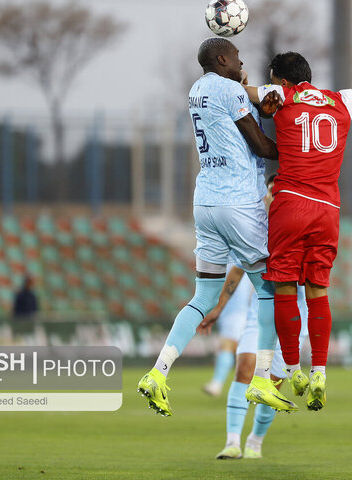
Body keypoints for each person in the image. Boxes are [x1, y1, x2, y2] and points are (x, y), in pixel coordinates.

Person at [244, 45, 352, 411]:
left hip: (290, 203)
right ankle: (320, 371)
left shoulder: (282, 95)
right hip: (327, 210)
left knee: (285, 286)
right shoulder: (342, 99)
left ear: (284, 80)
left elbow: (242, 92)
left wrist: (242, 82)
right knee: (318, 292)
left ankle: (293, 370)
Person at [137, 37, 297, 416]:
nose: (242, 62)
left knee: (202, 298)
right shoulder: (230, 89)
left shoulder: (197, 90)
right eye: (237, 57)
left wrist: (261, 106)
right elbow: (260, 146)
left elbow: (233, 128)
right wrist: (295, 146)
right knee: (270, 288)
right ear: (221, 58)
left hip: (205, 201)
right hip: (239, 201)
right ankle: (261, 381)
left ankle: (158, 373)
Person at [198, 175, 309, 459]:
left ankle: (255, 441)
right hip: (259, 313)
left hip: (293, 319)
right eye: (270, 191)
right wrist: (218, 308)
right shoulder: (256, 231)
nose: (272, 196)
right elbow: (236, 270)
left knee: (272, 385)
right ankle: (232, 442)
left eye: (278, 192)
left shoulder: (301, 231)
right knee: (245, 369)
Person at [201, 264, 254, 397]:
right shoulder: (236, 257)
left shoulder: (235, 259)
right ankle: (252, 384)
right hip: (229, 311)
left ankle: (217, 383)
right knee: (237, 347)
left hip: (235, 311)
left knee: (228, 345)